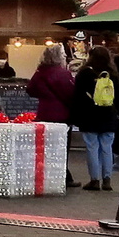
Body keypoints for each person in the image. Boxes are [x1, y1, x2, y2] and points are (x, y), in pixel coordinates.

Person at [26, 44, 79, 188]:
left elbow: (30, 89)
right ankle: (64, 177)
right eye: (62, 55)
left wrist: (45, 95)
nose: (65, 57)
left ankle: (44, 175)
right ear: (57, 57)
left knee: (45, 147)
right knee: (61, 147)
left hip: (44, 113)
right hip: (61, 115)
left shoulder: (40, 72)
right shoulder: (62, 73)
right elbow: (70, 94)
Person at [72, 46, 119, 191]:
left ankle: (94, 180)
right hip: (109, 115)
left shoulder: (84, 73)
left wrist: (76, 116)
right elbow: (118, 96)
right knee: (107, 147)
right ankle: (107, 180)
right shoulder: (113, 74)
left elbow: (77, 96)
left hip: (90, 115)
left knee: (92, 147)